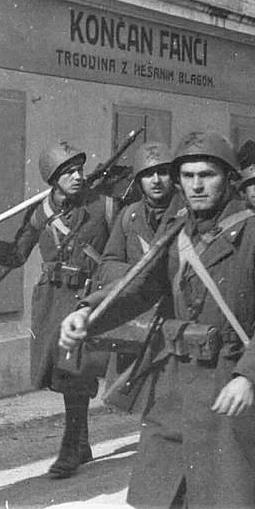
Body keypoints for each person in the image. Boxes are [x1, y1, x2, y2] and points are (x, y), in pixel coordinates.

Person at [60, 131, 255, 508]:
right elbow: (139, 286)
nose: (196, 185)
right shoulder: (175, 230)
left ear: (229, 178)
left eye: (207, 175)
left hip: (230, 383)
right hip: (173, 388)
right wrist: (89, 313)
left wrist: (250, 378)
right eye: (187, 176)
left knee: (232, 497)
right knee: (163, 496)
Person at [0, 141, 109, 478]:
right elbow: (17, 256)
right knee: (62, 374)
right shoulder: (38, 214)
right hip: (50, 300)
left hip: (84, 298)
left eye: (79, 170)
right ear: (53, 179)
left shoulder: (101, 205)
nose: (78, 176)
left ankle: (69, 449)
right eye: (68, 172)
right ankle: (83, 444)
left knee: (75, 372)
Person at [97, 141, 181, 383]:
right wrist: (136, 273)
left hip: (177, 317)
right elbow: (107, 265)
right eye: (147, 174)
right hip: (139, 320)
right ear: (139, 181)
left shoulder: (188, 213)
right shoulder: (129, 216)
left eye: (162, 172)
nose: (155, 180)